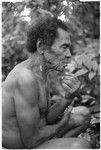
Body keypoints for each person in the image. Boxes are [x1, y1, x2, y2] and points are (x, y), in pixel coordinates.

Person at [2, 17, 92, 149]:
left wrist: (68, 98)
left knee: (83, 114)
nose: (69, 55)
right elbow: (30, 141)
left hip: (36, 135)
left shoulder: (41, 71)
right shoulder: (25, 78)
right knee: (82, 146)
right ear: (41, 47)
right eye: (64, 47)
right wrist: (60, 125)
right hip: (22, 146)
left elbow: (44, 118)